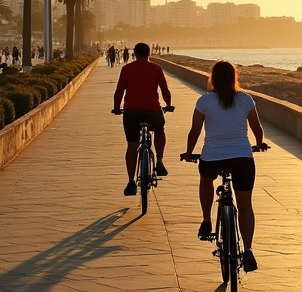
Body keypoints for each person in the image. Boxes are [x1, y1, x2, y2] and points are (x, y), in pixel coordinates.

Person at [180, 60, 267, 272]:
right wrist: (259, 144)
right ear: (234, 78)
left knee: (206, 181)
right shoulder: (246, 99)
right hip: (242, 159)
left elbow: (195, 132)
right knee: (245, 205)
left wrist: (190, 153)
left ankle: (206, 220)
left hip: (212, 157)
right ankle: (247, 250)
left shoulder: (204, 101)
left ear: (213, 79)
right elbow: (257, 128)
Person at [112, 42, 174, 196]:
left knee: (132, 145)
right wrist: (168, 105)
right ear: (149, 53)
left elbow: (119, 91)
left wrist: (117, 108)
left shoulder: (127, 69)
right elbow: (165, 90)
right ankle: (159, 161)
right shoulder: (156, 68)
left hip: (131, 112)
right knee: (159, 130)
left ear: (135, 53)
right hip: (152, 111)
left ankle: (131, 182)